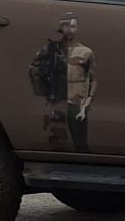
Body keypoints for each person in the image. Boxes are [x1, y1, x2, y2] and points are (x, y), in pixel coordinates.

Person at [28, 15, 95, 152]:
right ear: (61, 28)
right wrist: (44, 88)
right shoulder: (51, 48)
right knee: (56, 141)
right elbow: (34, 68)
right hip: (57, 100)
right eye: (66, 26)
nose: (69, 30)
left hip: (76, 101)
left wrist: (88, 99)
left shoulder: (85, 52)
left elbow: (93, 78)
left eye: (73, 26)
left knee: (80, 143)